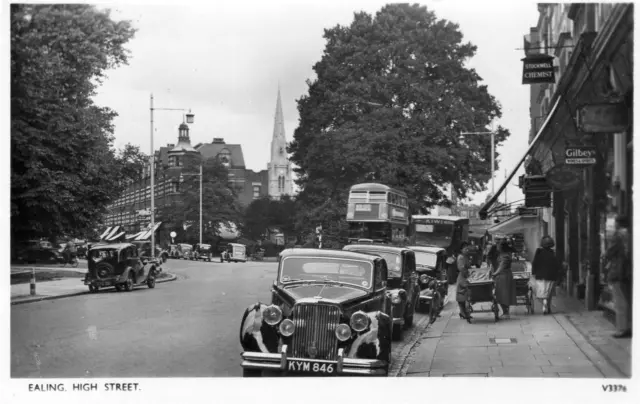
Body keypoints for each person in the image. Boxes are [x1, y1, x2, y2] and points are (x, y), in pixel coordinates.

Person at [605, 216, 632, 338]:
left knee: (620, 301)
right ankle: (628, 325)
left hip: (618, 272)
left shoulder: (618, 237)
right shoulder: (630, 235)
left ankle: (622, 328)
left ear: (618, 224)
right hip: (627, 272)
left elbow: (609, 253)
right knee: (626, 299)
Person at [531, 236, 562, 315]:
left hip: (540, 275)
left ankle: (544, 302)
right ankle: (548, 306)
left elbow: (535, 263)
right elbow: (557, 264)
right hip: (551, 275)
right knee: (549, 292)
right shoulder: (554, 253)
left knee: (541, 291)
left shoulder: (538, 252)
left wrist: (533, 273)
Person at [491, 238, 517, 319]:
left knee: (502, 294)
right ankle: (506, 311)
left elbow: (501, 266)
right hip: (503, 276)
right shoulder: (503, 254)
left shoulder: (505, 256)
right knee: (502, 294)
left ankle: (506, 312)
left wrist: (494, 274)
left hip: (504, 276)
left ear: (502, 247)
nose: (497, 247)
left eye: (498, 245)